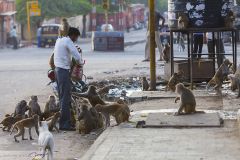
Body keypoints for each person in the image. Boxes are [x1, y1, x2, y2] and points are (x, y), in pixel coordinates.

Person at [54, 27, 83, 131]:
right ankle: (64, 124)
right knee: (65, 98)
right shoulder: (68, 41)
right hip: (63, 71)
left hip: (57, 70)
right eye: (76, 37)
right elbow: (76, 55)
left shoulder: (59, 40)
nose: (76, 39)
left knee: (62, 97)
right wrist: (81, 63)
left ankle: (63, 122)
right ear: (73, 35)